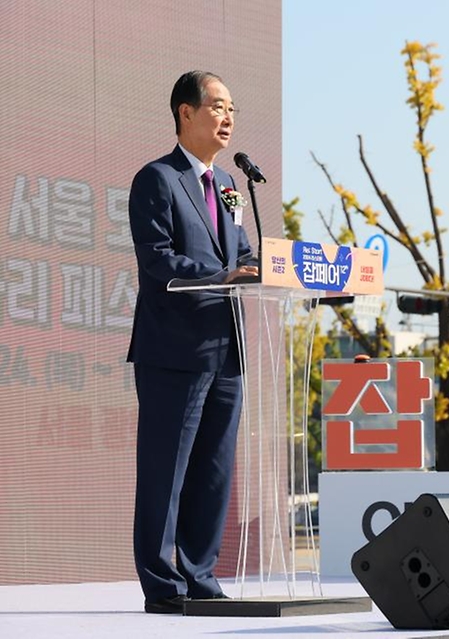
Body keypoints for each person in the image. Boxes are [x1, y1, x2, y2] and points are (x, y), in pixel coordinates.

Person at [127, 70, 258, 614]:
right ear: (186, 112)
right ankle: (164, 585)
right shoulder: (157, 179)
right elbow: (158, 260)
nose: (228, 118)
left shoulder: (228, 185)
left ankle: (201, 578)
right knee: (167, 469)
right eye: (218, 107)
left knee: (214, 468)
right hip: (173, 351)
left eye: (232, 109)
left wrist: (259, 268)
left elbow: (244, 254)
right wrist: (225, 274)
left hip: (226, 348)